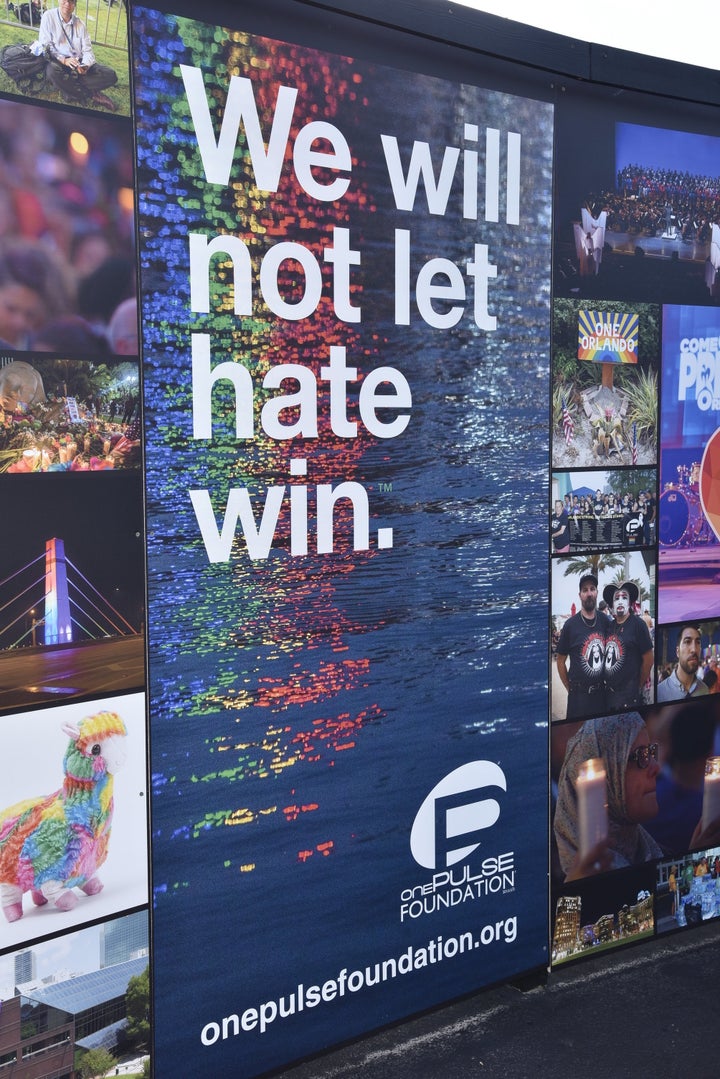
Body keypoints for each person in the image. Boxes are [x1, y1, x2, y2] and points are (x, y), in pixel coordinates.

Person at [554, 713, 663, 880]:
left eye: (651, 752)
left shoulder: (654, 851)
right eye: (641, 755)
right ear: (605, 780)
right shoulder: (554, 878)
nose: (656, 767)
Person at [33, 0, 118, 111]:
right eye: (65, 0)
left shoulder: (80, 24)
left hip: (78, 64)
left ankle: (68, 89)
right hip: (58, 61)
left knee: (110, 75)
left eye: (72, 1)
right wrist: (64, 60)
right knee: (51, 71)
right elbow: (46, 46)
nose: (67, 4)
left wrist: (85, 66)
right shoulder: (48, 16)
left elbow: (88, 51)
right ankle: (90, 94)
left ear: (75, 4)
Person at [555, 573, 612, 720]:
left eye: (592, 589)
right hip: (578, 699)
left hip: (601, 696)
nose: (589, 593)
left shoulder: (605, 621)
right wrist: (569, 687)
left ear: (597, 593)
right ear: (580, 595)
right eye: (585, 590)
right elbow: (560, 660)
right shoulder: (570, 625)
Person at [602, 581, 654, 710]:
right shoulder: (610, 626)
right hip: (609, 696)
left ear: (630, 602)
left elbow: (649, 659)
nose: (620, 601)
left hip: (629, 698)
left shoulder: (638, 625)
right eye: (616, 598)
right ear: (612, 604)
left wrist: (637, 685)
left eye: (624, 598)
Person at [657, 624, 709, 702]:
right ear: (678, 652)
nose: (694, 649)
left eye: (698, 642)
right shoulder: (660, 692)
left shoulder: (704, 689)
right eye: (687, 641)